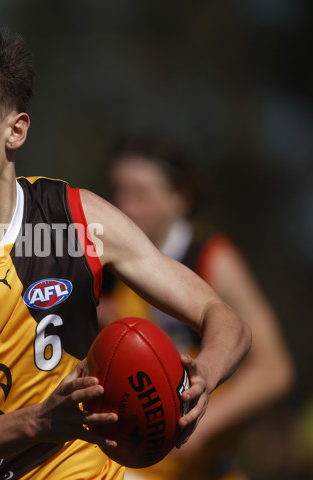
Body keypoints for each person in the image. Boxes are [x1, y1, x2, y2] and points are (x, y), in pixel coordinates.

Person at [0, 21, 251, 480]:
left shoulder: (81, 217)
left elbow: (223, 317)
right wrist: (40, 423)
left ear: (15, 130)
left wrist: (206, 372)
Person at [99, 135, 294, 480]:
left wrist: (198, 429)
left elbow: (275, 369)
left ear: (181, 199)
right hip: (128, 465)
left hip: (203, 467)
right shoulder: (106, 265)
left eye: (141, 193)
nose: (124, 206)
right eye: (119, 191)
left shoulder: (212, 258)